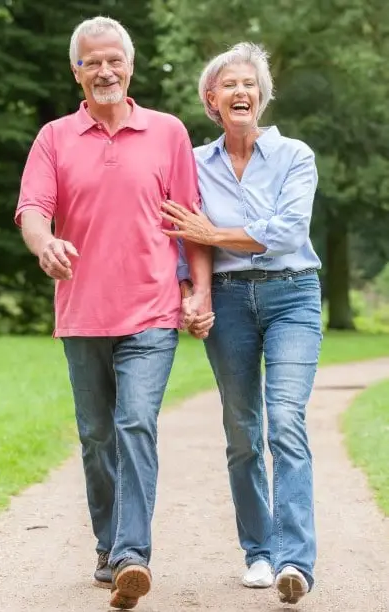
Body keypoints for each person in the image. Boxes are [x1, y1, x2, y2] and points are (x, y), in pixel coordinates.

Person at [14, 16, 212, 610]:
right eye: (92, 62)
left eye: (114, 61)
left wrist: (198, 290)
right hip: (82, 313)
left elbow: (190, 221)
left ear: (130, 66)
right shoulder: (54, 137)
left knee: (134, 425)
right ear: (76, 71)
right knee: (97, 435)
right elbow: (32, 207)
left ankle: (132, 555)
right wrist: (45, 242)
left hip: (151, 309)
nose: (105, 71)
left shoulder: (168, 132)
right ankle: (107, 548)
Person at [161, 42, 322, 606]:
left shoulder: (295, 155)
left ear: (262, 95)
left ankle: (295, 562)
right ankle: (258, 551)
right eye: (228, 85)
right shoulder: (196, 164)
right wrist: (192, 293)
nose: (240, 92)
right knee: (242, 431)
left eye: (249, 84)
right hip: (228, 302)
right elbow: (182, 236)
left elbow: (286, 232)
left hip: (293, 295)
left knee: (285, 421)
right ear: (211, 100)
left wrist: (214, 234)